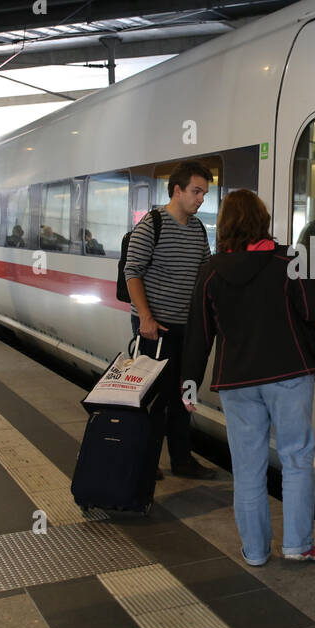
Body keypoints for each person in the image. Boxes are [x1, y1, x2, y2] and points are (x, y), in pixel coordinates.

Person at [182, 190, 315, 564]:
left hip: (236, 382)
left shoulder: (210, 270)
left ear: (224, 225)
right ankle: (297, 546)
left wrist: (189, 382)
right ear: (262, 221)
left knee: (248, 469)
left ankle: (255, 552)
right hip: (289, 374)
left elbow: (200, 333)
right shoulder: (288, 260)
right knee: (296, 459)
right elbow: (313, 310)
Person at [123, 160, 217, 481]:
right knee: (154, 398)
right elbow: (132, 272)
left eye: (204, 192)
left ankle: (182, 460)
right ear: (177, 190)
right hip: (156, 329)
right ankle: (144, 461)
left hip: (188, 329)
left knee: (184, 395)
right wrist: (145, 317)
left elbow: (205, 274)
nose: (201, 198)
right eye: (196, 191)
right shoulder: (152, 224)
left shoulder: (198, 229)